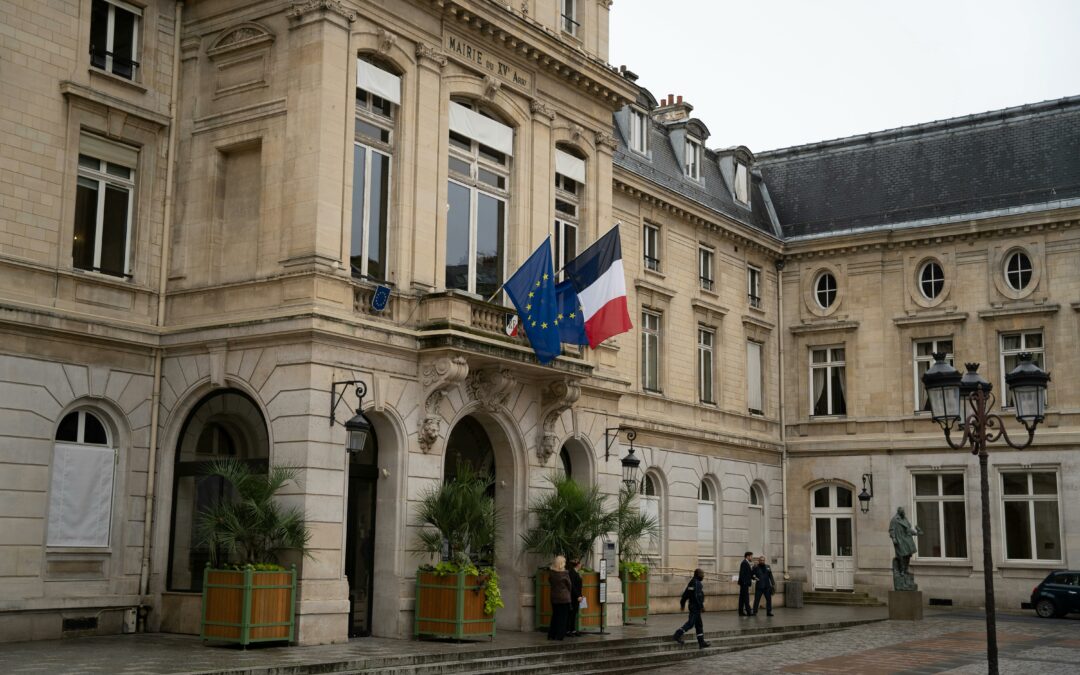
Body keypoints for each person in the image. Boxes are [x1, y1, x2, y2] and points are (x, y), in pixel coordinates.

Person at [672, 568, 711, 649]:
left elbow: (686, 594)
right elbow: (697, 596)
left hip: (694, 606)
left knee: (699, 625)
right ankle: (677, 634)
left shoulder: (692, 582)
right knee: (690, 623)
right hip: (695, 607)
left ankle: (701, 642)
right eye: (702, 574)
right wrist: (701, 607)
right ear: (698, 574)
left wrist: (682, 603)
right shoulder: (697, 583)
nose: (703, 576)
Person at [547, 555, 572, 640]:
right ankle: (560, 635)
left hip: (554, 598)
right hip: (564, 598)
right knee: (563, 618)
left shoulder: (552, 573)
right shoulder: (565, 574)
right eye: (564, 562)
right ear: (562, 563)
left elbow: (550, 582)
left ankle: (551, 634)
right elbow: (569, 585)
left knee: (555, 616)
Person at [566, 558, 584, 636]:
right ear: (577, 564)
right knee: (571, 613)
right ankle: (568, 630)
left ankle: (572, 630)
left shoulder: (576, 572)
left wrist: (580, 595)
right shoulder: (572, 573)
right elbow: (572, 586)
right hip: (573, 596)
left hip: (577, 596)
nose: (581, 565)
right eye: (580, 564)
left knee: (574, 613)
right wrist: (578, 596)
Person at [738, 551, 754, 617]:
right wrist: (744, 582)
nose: (752, 557)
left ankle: (741, 612)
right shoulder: (744, 563)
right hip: (744, 584)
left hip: (744, 583)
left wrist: (753, 577)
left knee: (742, 598)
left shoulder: (746, 563)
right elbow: (742, 574)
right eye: (751, 556)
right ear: (747, 556)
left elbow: (748, 573)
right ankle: (749, 612)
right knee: (746, 598)